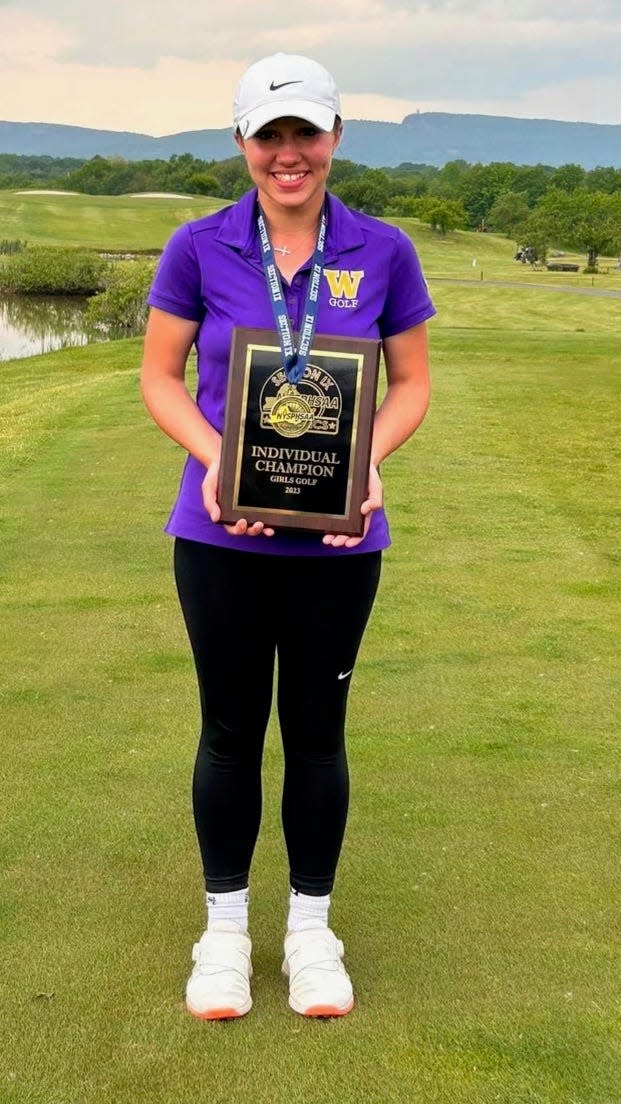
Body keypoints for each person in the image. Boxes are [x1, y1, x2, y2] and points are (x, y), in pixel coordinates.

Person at [140, 52, 435, 1021]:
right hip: (220, 538)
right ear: (242, 144)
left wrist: (369, 460)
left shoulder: (383, 249)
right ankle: (224, 932)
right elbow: (161, 380)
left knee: (316, 736)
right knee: (230, 730)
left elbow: (411, 387)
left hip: (341, 545)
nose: (289, 153)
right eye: (270, 136)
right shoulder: (198, 245)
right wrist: (217, 463)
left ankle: (312, 931)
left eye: (305, 132)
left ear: (336, 137)